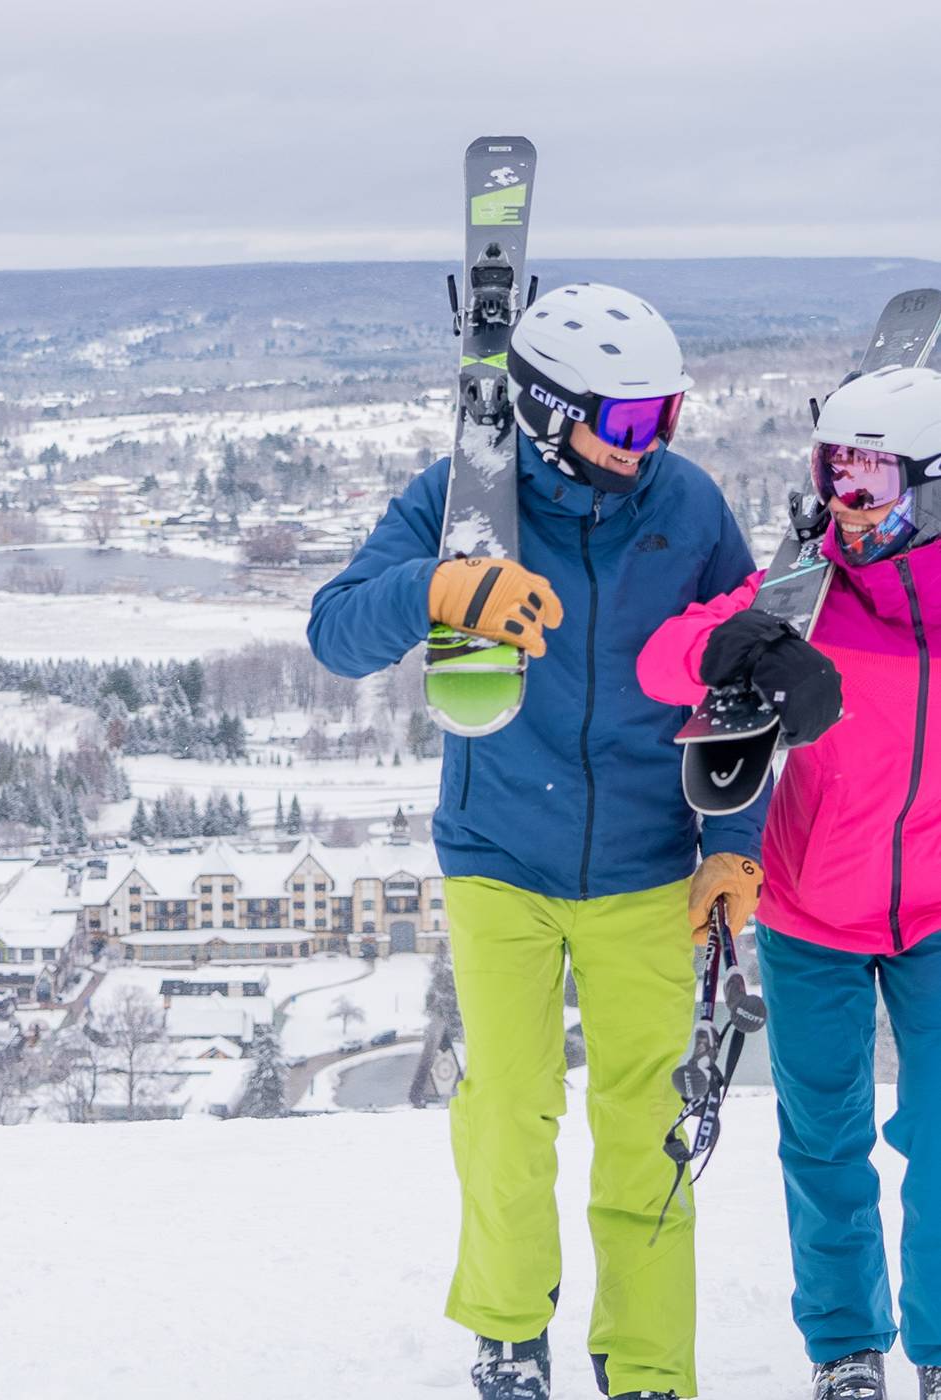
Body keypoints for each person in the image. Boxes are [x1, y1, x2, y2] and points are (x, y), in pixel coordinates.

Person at [308, 282, 769, 1400]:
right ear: (547, 412)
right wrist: (441, 586)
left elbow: (747, 682)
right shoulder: (465, 501)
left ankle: (649, 1360)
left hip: (650, 865)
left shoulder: (691, 508)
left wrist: (733, 842)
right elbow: (335, 630)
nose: (645, 444)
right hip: (499, 855)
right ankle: (511, 1333)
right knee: (509, 1107)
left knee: (648, 1117)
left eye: (662, 416)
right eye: (622, 422)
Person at [637, 365, 941, 1400]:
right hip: (813, 914)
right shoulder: (803, 595)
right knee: (826, 1138)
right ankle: (847, 1347)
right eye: (831, 475)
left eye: (872, 483)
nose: (845, 507)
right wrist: (740, 643)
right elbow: (664, 662)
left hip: (939, 912)